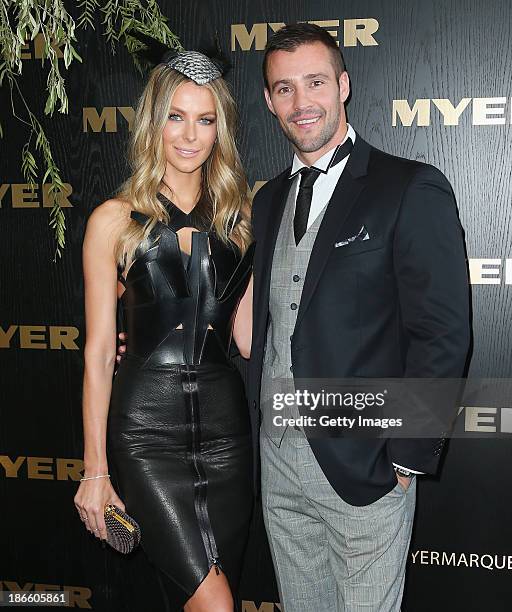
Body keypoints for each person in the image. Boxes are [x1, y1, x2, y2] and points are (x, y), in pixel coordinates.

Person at [247, 24, 471, 611]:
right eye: (285, 88)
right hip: (279, 464)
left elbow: (442, 333)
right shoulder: (267, 199)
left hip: (366, 461)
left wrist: (405, 453)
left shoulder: (409, 186)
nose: (302, 103)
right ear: (270, 101)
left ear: (344, 85)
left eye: (315, 82)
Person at [74, 49, 255, 612]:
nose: (189, 136)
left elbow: (248, 338)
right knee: (216, 604)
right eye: (175, 116)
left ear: (220, 129)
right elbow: (101, 353)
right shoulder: (112, 219)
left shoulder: (242, 219)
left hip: (228, 437)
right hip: (146, 437)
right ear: (153, 122)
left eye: (205, 120)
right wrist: (95, 471)